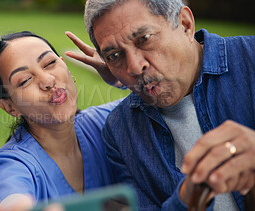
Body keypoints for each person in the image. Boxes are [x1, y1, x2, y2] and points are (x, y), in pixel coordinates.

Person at [65, 0, 255, 210]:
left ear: (185, 24)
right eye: (114, 56)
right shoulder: (121, 131)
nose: (135, 67)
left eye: (144, 39)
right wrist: (189, 196)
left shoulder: (250, 58)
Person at [0, 31, 120, 210]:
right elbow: (10, 194)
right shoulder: (11, 164)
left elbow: (160, 98)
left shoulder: (107, 122)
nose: (48, 80)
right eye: (24, 80)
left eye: (50, 63)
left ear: (66, 67)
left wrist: (122, 76)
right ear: (10, 107)